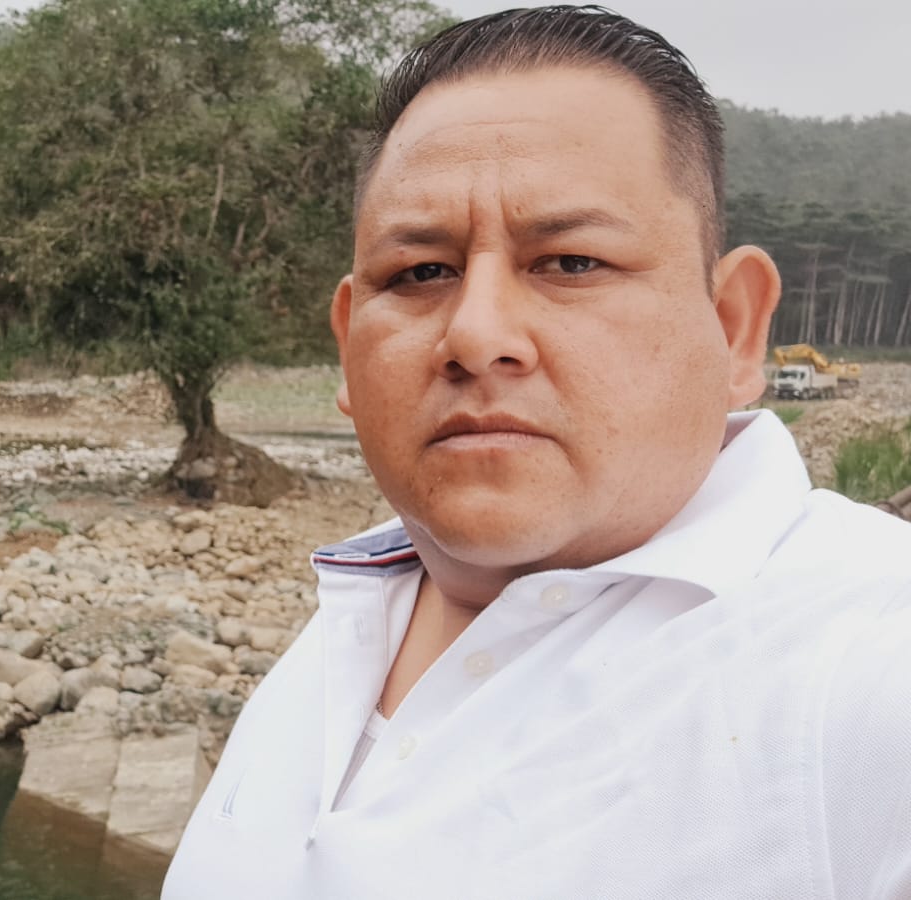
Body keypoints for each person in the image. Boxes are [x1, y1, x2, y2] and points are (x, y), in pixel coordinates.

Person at [162, 6, 911, 898]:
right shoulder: (356, 602)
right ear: (348, 347)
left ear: (733, 327)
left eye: (570, 263)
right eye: (421, 273)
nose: (477, 335)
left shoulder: (866, 669)